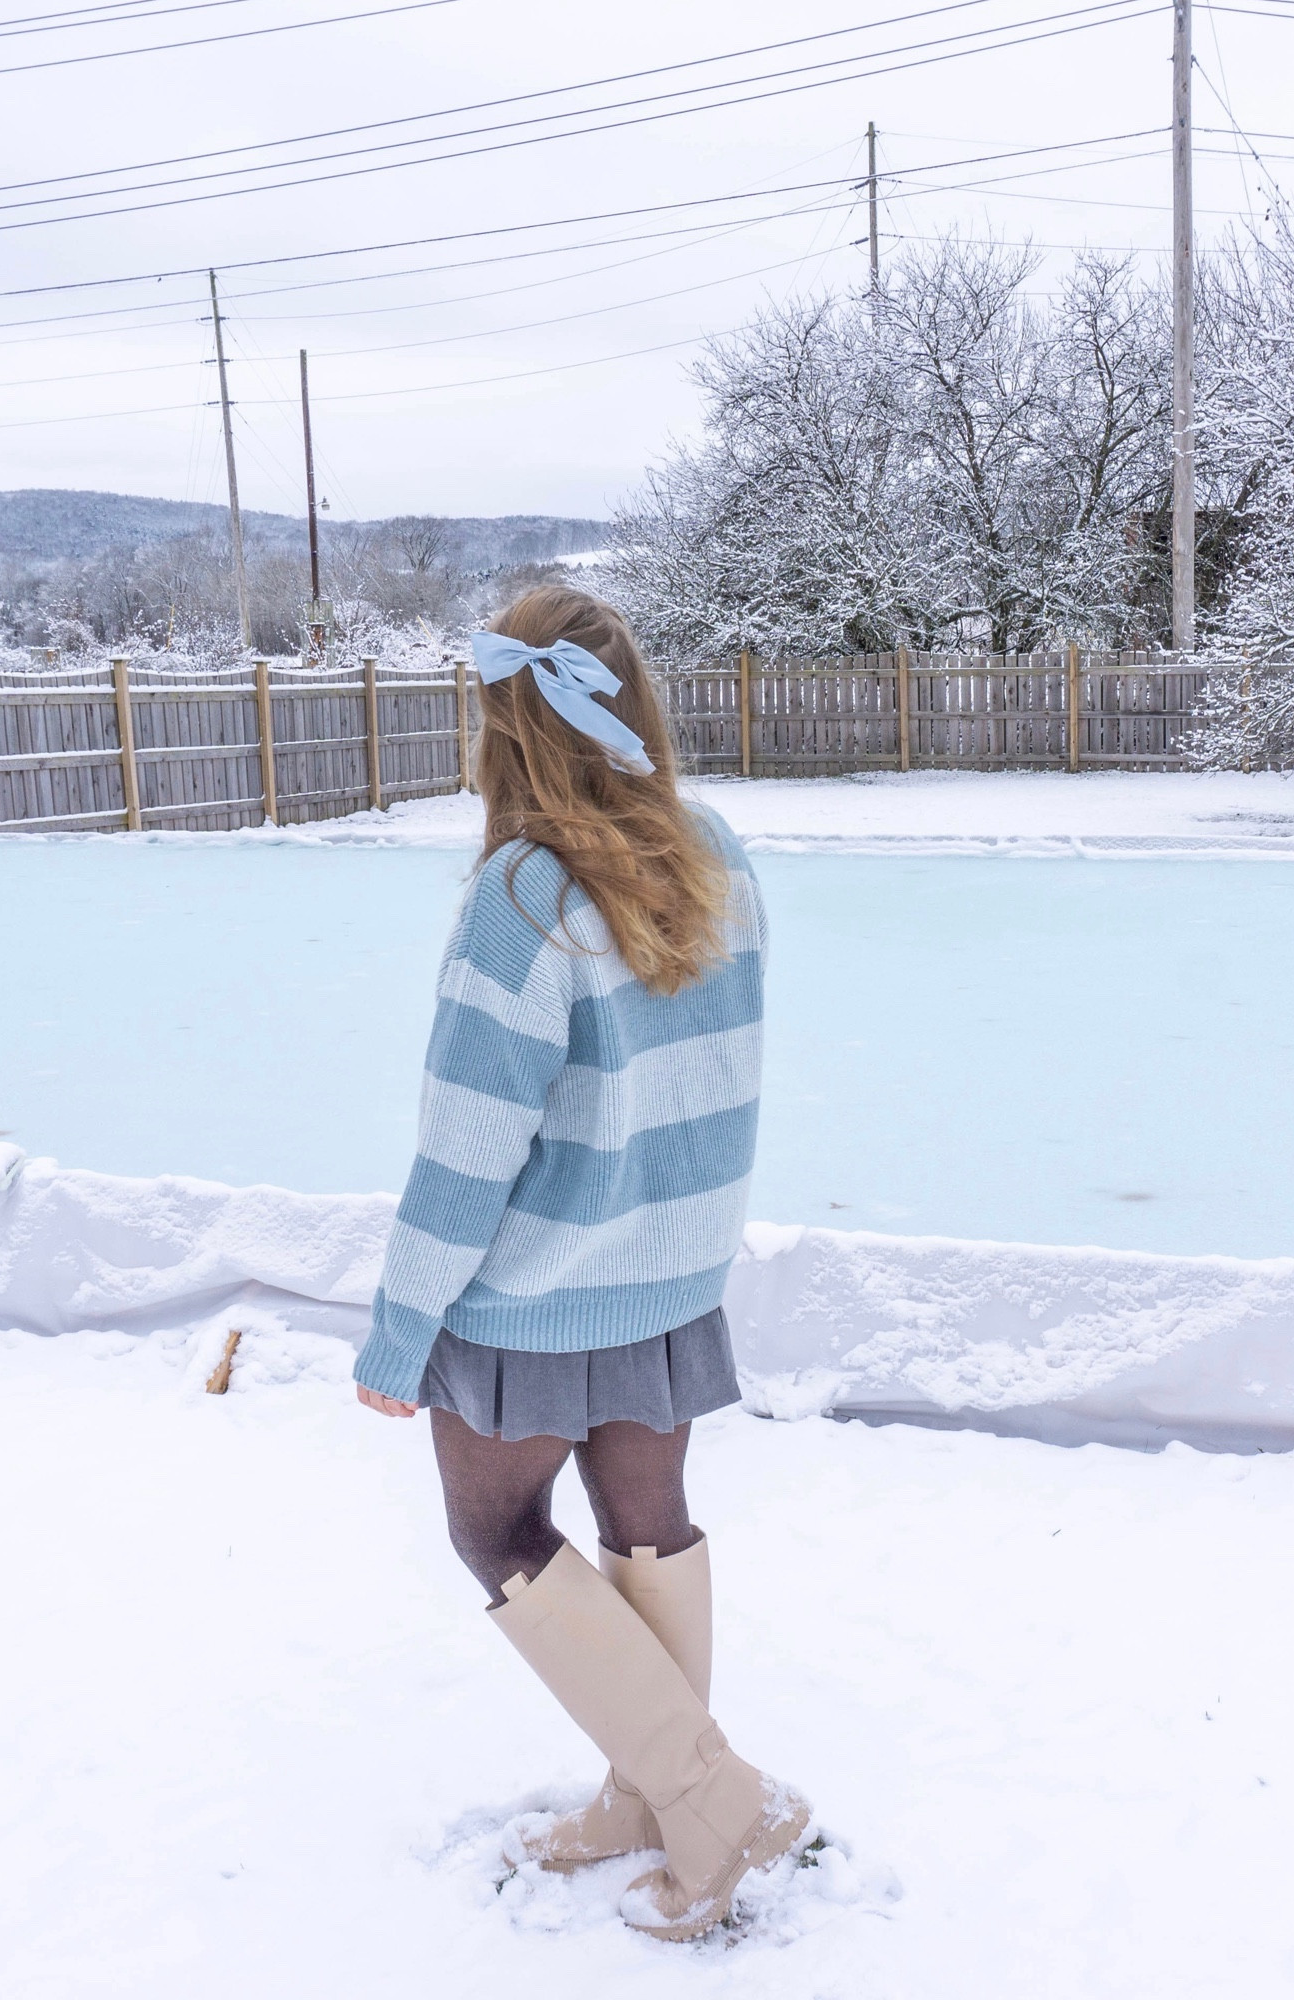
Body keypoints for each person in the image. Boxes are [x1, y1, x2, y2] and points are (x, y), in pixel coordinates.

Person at [353, 585, 809, 1944]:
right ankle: (660, 1792)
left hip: (535, 1292)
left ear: (502, 725)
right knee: (644, 1529)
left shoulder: (522, 898)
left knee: (494, 1531)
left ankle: (709, 1795)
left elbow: (465, 1148)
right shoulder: (714, 848)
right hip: (671, 1273)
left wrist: (399, 1328)